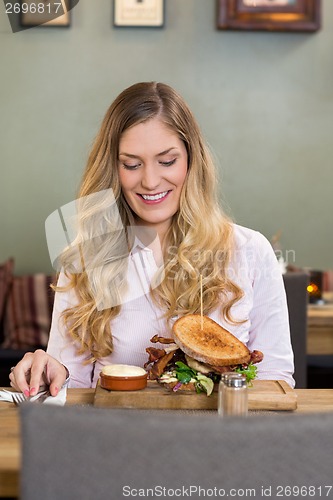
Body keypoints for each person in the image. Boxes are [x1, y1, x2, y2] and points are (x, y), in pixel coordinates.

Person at [9, 82, 295, 397]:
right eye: (131, 164)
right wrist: (50, 370)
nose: (150, 180)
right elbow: (70, 387)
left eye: (167, 161)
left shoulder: (249, 250)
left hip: (219, 439)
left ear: (191, 159)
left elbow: (275, 380)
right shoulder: (84, 260)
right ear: (114, 169)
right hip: (117, 439)